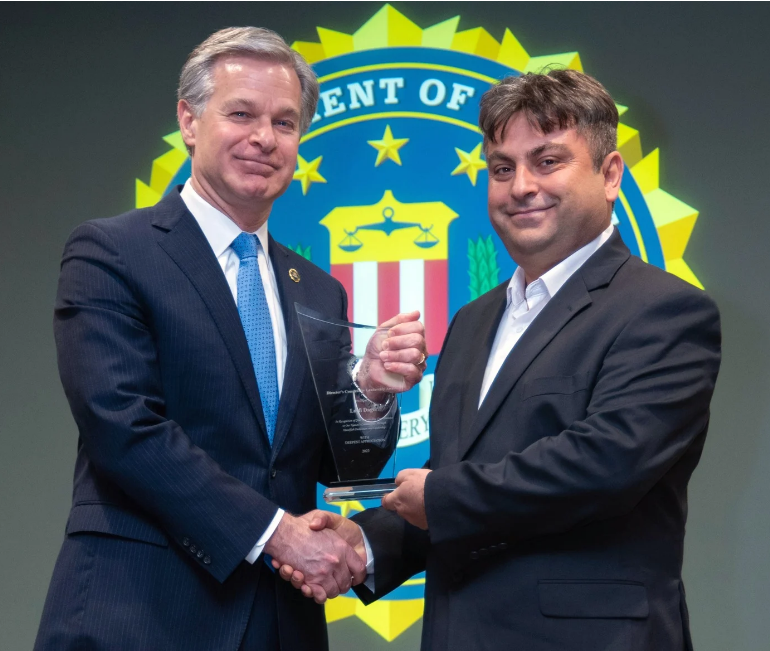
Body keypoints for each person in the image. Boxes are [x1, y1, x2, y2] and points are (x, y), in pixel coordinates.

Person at [279, 69, 722, 650]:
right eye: (502, 168)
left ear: (610, 175)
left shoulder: (666, 312)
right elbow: (461, 473)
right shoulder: (472, 321)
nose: (520, 187)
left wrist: (435, 498)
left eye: (548, 161)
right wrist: (364, 545)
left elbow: (604, 465)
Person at [34, 27, 426, 651]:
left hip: (278, 624)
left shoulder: (317, 290)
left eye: (285, 122)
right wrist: (277, 534)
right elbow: (123, 427)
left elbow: (337, 464)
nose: (264, 138)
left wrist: (371, 390)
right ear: (189, 121)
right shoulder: (113, 252)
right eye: (240, 113)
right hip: (139, 612)